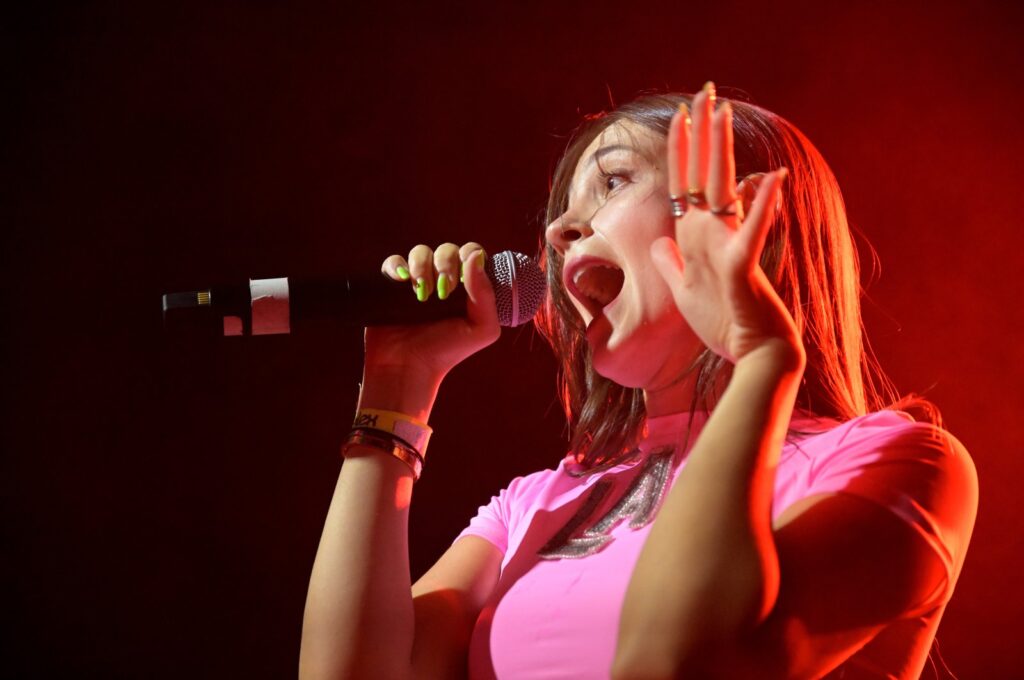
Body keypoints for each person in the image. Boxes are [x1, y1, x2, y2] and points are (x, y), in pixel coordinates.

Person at [298, 82, 978, 679]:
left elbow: (674, 663)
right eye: (560, 210)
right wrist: (395, 387)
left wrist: (761, 355)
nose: (560, 228)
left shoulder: (893, 463)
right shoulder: (534, 504)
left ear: (741, 218)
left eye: (614, 181)